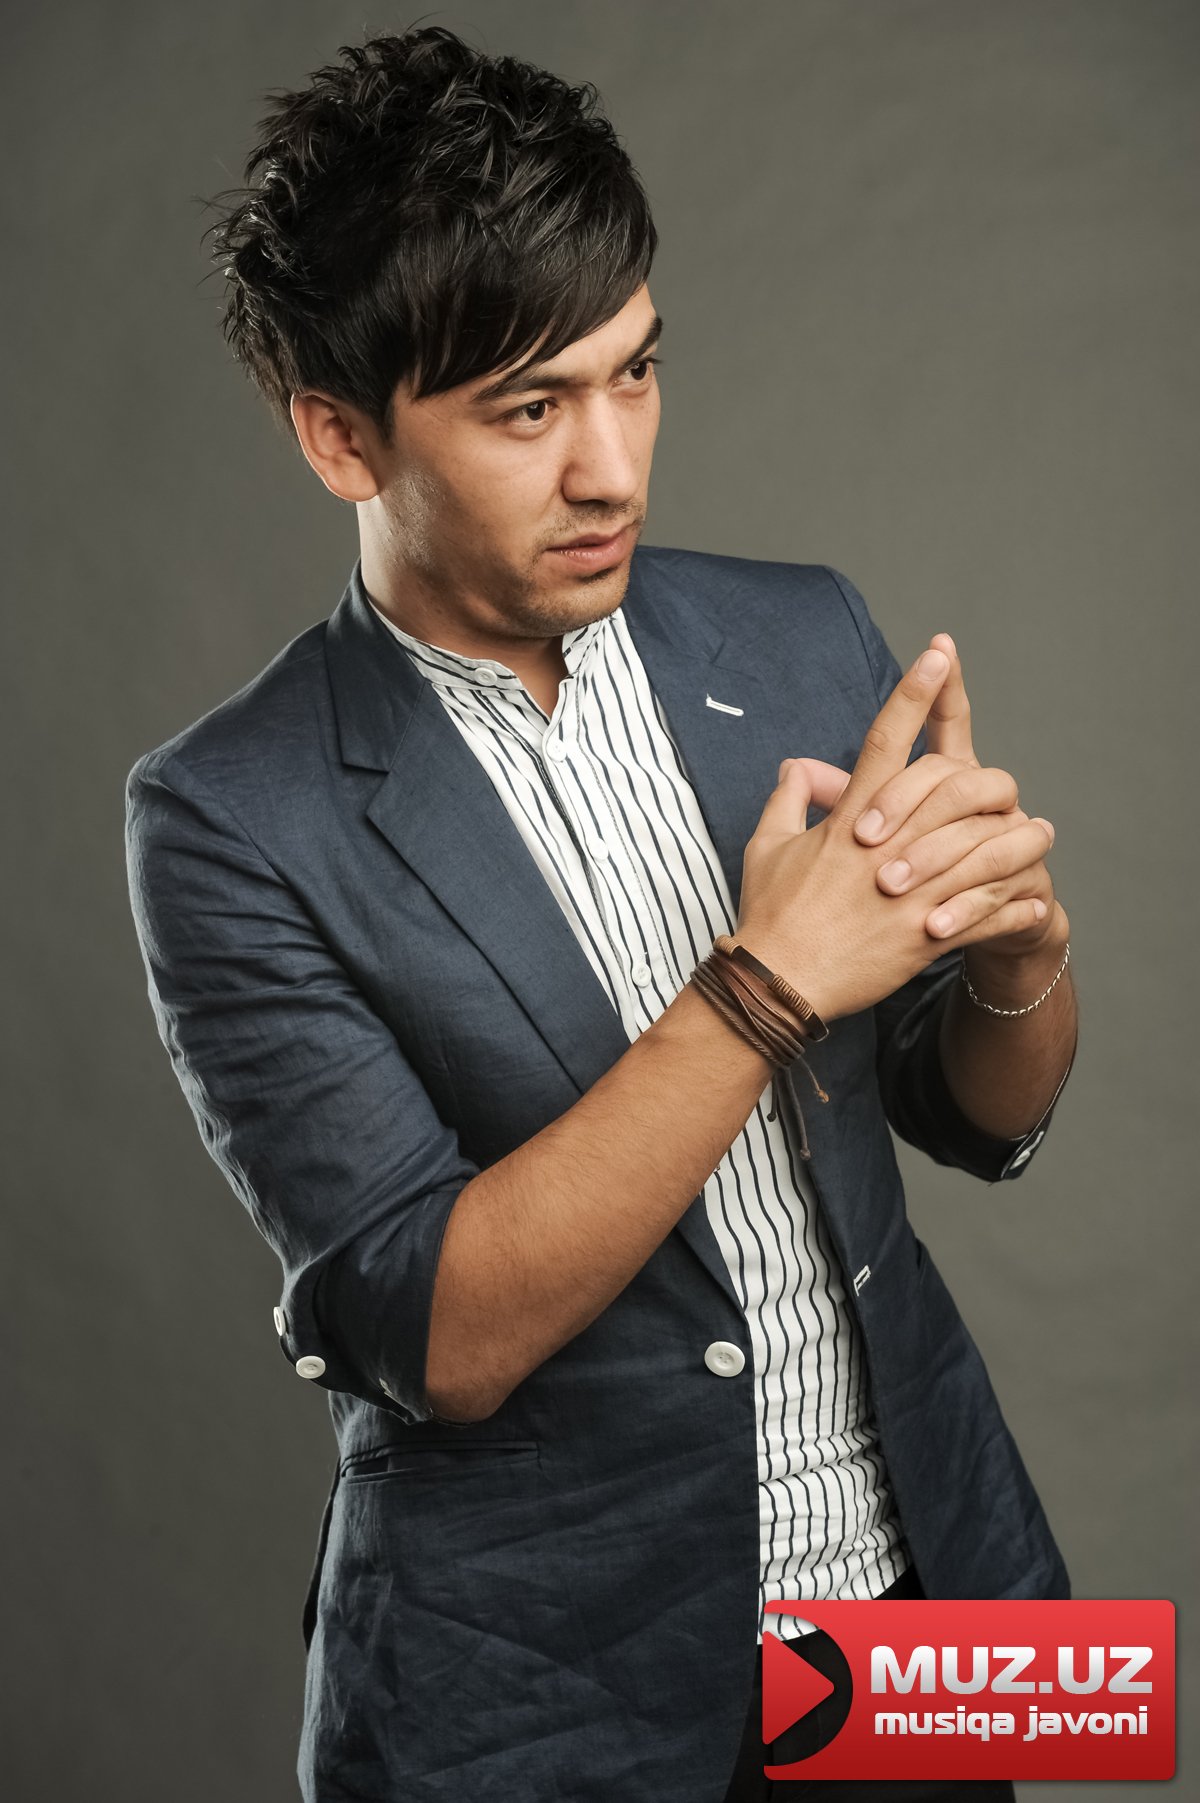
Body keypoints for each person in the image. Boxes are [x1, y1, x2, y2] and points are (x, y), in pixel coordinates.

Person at [123, 25, 1078, 1803]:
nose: (614, 467)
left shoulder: (801, 631)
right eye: (529, 409)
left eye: (636, 373)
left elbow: (969, 1119)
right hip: (540, 1714)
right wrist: (767, 980)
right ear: (340, 436)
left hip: (914, 1626)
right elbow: (442, 1336)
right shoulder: (227, 817)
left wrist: (1022, 959)